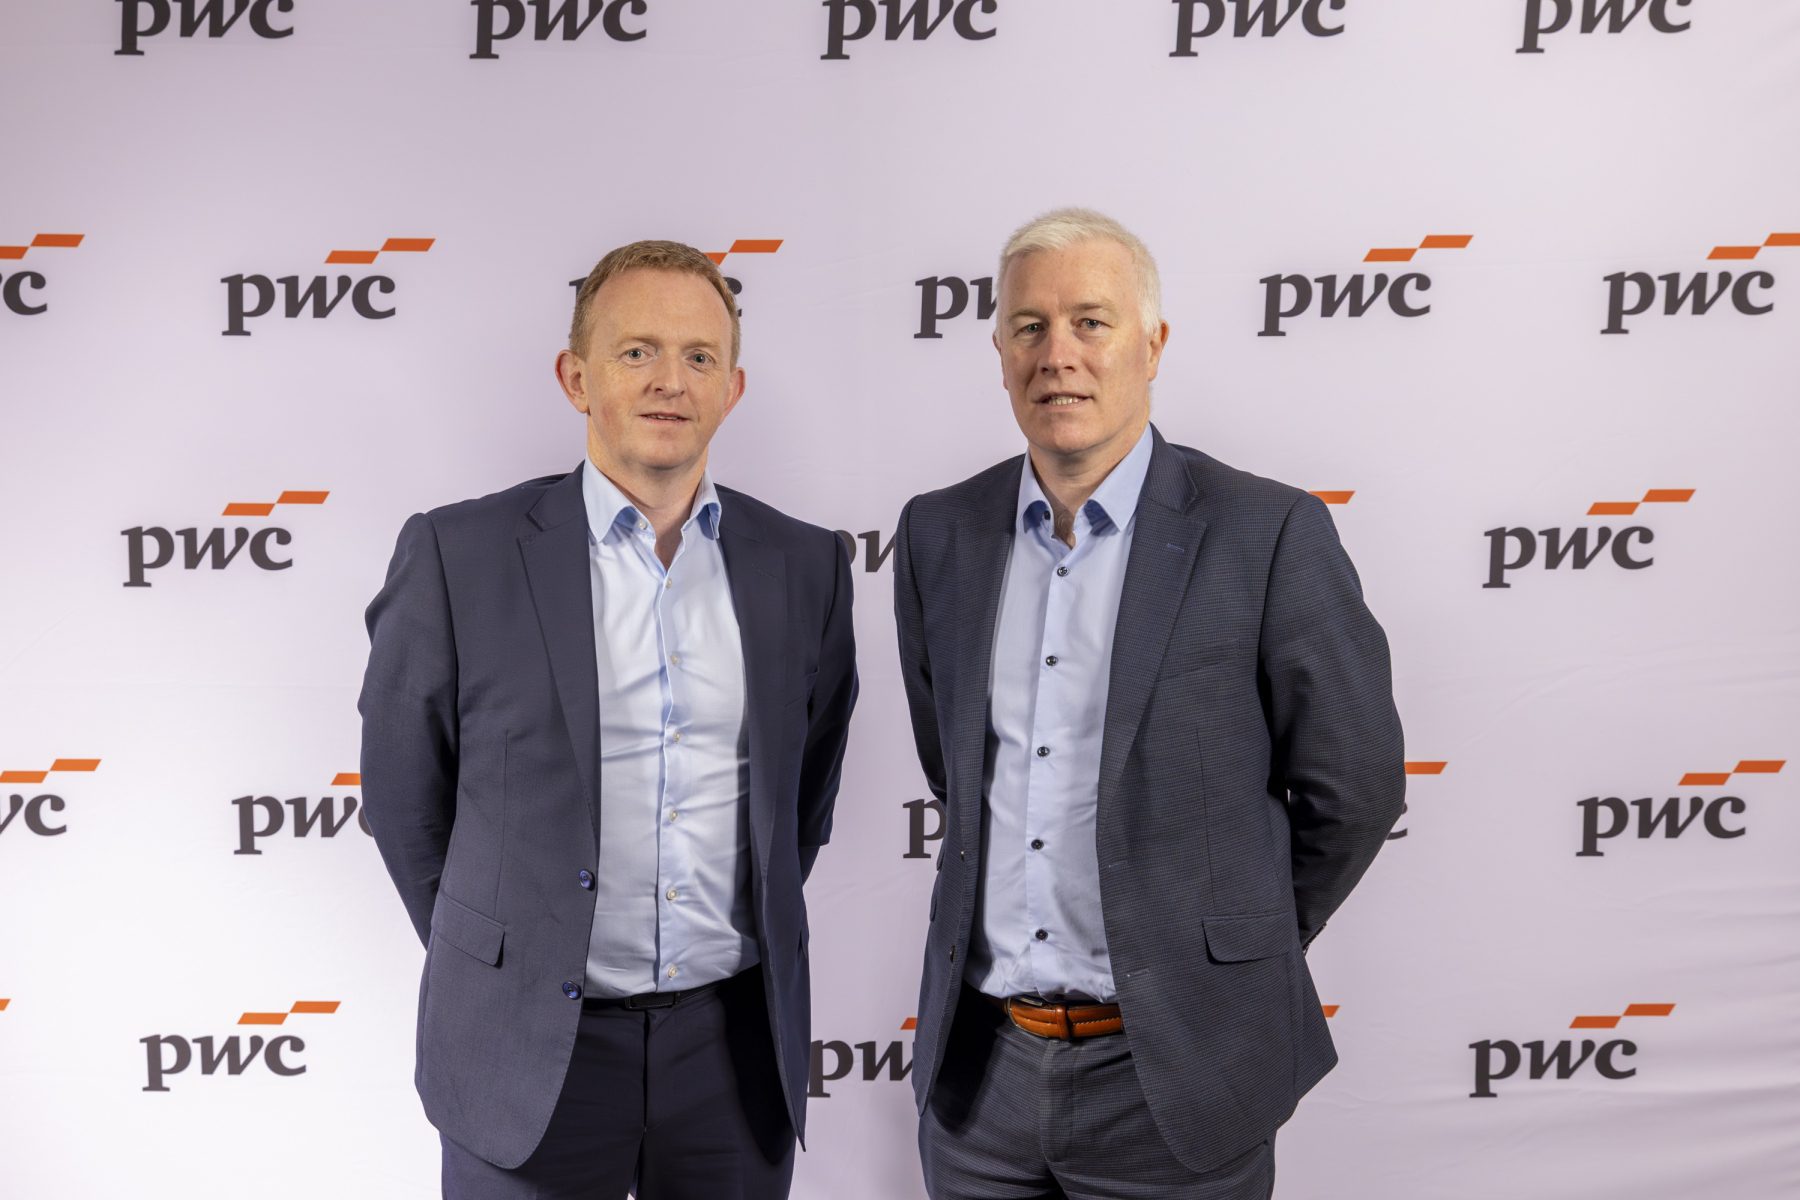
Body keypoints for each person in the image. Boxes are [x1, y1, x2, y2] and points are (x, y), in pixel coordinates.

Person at [893, 209, 1404, 1200]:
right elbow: (952, 766)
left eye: (1092, 322)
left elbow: (1356, 788)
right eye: (1030, 327)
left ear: (1153, 344)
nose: (1059, 354)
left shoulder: (1266, 532)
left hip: (1177, 1077)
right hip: (980, 1082)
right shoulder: (936, 534)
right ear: (1000, 353)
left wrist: (1225, 939)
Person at [358, 239, 857, 1198]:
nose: (671, 380)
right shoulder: (459, 555)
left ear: (732, 389)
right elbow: (404, 799)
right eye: (637, 352)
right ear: (576, 378)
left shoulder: (806, 566)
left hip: (733, 1055)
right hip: (525, 1054)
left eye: (699, 356)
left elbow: (805, 795)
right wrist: (505, 951)